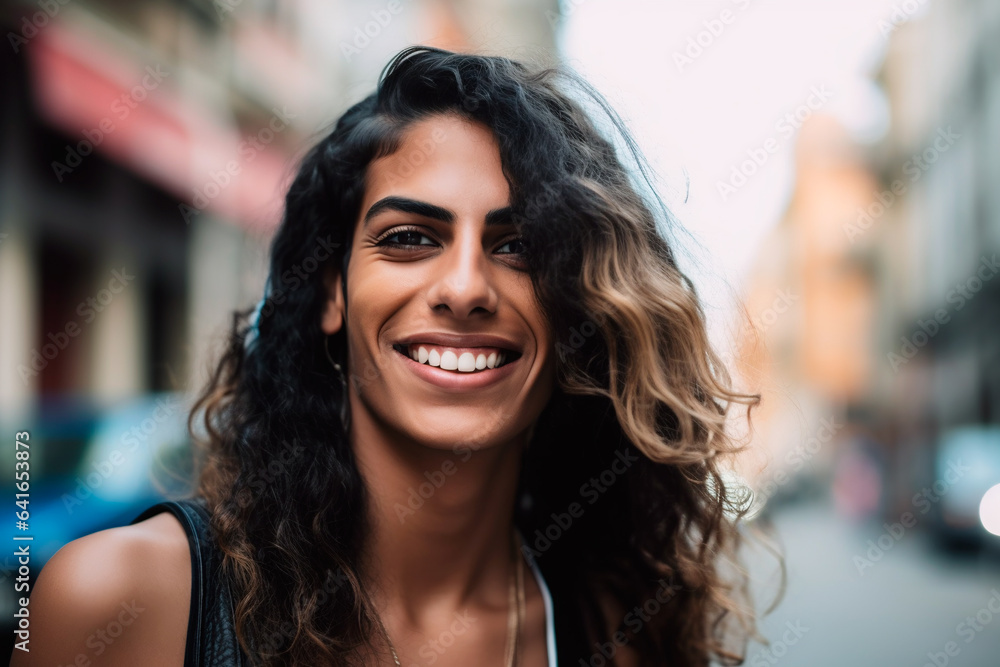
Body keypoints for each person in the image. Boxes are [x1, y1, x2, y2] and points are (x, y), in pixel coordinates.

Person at [15, 46, 767, 667]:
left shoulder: (615, 632)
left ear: (575, 308)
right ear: (333, 292)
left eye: (520, 247)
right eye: (410, 238)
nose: (467, 286)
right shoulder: (118, 604)